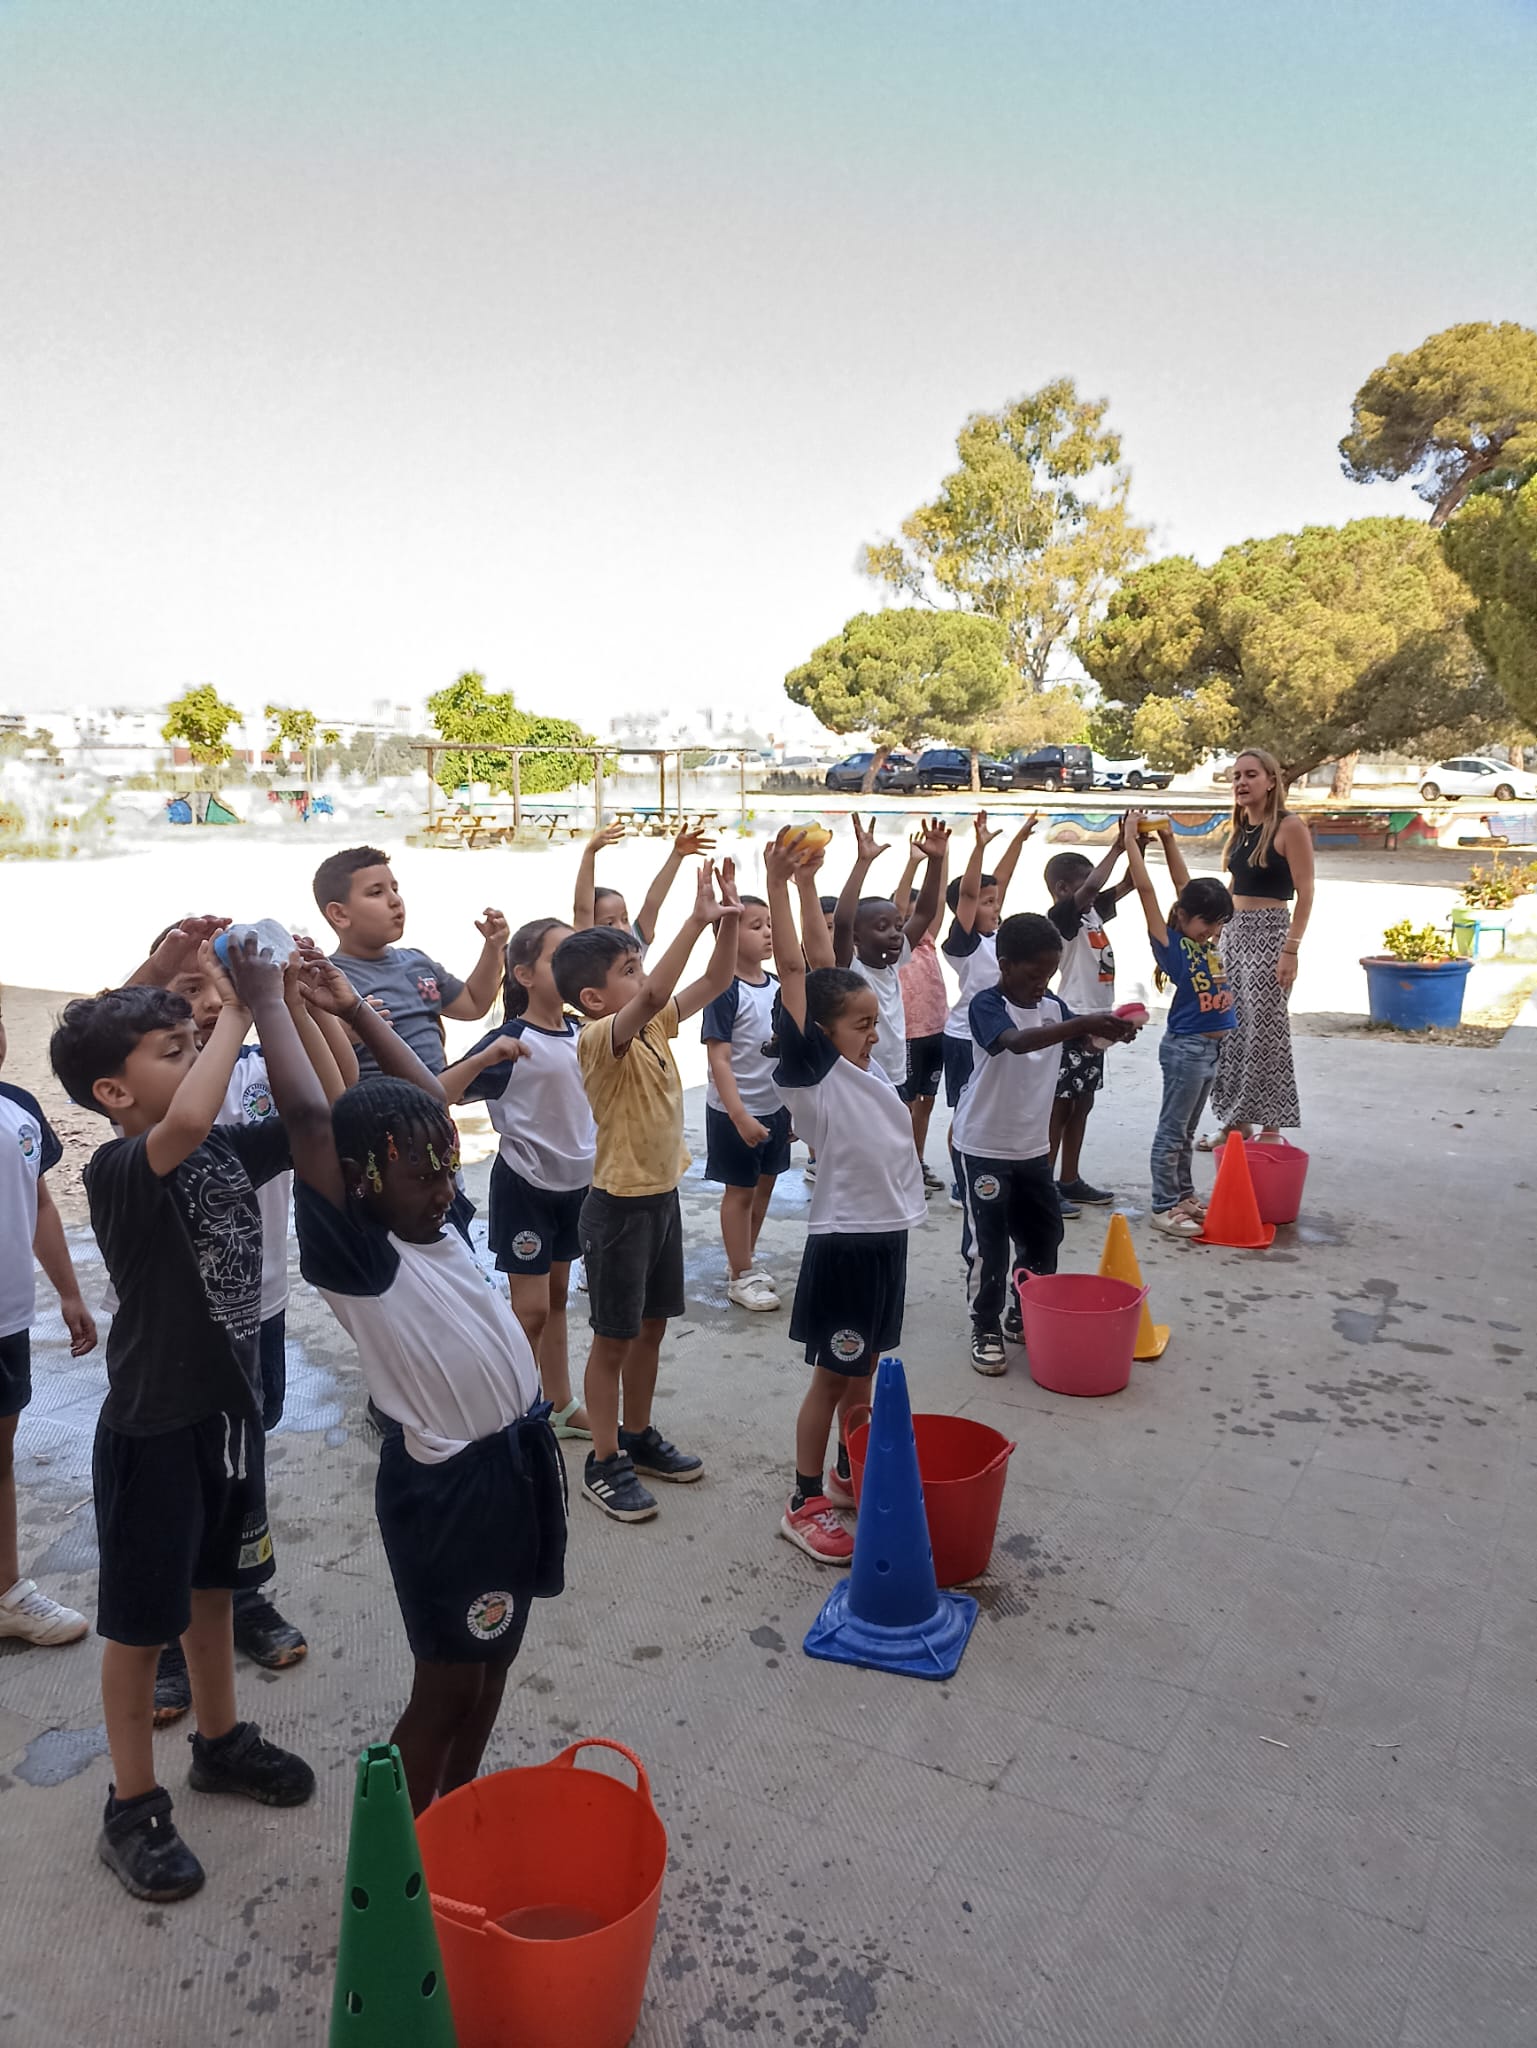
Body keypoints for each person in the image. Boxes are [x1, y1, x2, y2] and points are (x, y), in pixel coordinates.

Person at [240, 945, 567, 1816]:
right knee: (447, 1686)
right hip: (449, 1495)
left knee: (495, 1660)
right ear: (357, 1184)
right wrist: (269, 999)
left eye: (447, 1169)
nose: (441, 1188)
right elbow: (310, 1120)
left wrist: (353, 1009)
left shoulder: (439, 1221)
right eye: (421, 1177)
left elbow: (427, 1102)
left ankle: (461, 1811)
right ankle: (400, 1851)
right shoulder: (360, 1253)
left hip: (514, 1470)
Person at [50, 972, 316, 1903]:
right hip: (154, 1431)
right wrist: (234, 1008)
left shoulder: (223, 1150)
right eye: (175, 1051)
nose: (200, 1058)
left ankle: (220, 1741)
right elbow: (192, 1118)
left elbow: (310, 1113)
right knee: (140, 1627)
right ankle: (131, 1806)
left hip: (227, 1421)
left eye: (197, 1046)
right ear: (113, 1093)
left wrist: (288, 1006)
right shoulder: (120, 1168)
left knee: (216, 1595)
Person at [123, 915, 358, 1711]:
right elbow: (102, 1036)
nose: (204, 1002)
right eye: (185, 991)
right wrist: (162, 964)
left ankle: (241, 1595)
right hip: (171, 1338)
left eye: (214, 984)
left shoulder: (257, 1064)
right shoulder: (150, 1093)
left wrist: (293, 1001)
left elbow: (335, 1100)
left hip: (259, 1309)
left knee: (242, 1460)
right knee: (172, 1483)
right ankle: (165, 1630)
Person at [554, 861, 741, 1524]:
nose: (642, 978)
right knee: (613, 1338)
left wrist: (726, 922)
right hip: (618, 1210)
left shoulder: (655, 1025)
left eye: (637, 966)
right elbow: (659, 988)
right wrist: (693, 919)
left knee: (651, 1328)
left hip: (661, 1198)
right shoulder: (597, 1038)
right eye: (628, 970)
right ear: (594, 998)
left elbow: (715, 981)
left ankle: (636, 1434)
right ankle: (603, 1461)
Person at [764, 830, 927, 1563]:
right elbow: (797, 969)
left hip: (885, 1238)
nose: (874, 1033)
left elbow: (825, 964)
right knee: (832, 1381)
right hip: (846, 1245)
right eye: (861, 1025)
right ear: (819, 1033)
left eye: (873, 1022)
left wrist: (809, 886)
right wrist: (779, 884)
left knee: (863, 1381)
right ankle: (803, 1501)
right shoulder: (815, 1074)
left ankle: (846, 1471)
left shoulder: (861, 1067)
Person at [952, 915, 1138, 1375]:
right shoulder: (987, 1005)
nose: (1043, 984)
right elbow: (1016, 1043)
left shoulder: (1053, 1006)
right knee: (988, 1245)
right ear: (1005, 964)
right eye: (1034, 974)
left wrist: (1110, 1032)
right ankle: (985, 1324)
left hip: (1033, 1149)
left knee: (1044, 1235)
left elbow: (1084, 1042)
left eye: (1050, 973)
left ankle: (1024, 1309)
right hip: (984, 1146)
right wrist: (1080, 1026)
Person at [0, 984, 98, 1648]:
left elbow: (36, 1204)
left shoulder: (19, 1111)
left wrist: (68, 1293)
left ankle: (6, 1591)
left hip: (7, 1317)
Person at [1121, 815, 1236, 1235]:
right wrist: (1130, 841)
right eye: (1208, 923)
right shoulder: (1173, 946)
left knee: (1186, 1132)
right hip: (1186, 1049)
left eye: (1219, 923)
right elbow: (1148, 891)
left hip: (1210, 1050)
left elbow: (1181, 883)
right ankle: (1163, 1205)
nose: (1214, 931)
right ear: (1185, 917)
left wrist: (1169, 838)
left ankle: (1184, 1195)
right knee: (1172, 1132)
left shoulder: (1205, 939)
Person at [313, 845, 508, 1077]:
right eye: (376, 892)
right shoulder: (328, 981)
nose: (395, 900)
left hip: (439, 1098)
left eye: (395, 889)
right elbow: (312, 1056)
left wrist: (493, 948)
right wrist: (342, 1033)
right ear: (340, 914)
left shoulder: (417, 964)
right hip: (377, 1098)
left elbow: (473, 1004)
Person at [1211, 748, 1314, 1143]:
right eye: (1237, 776)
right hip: (1233, 933)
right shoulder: (1241, 827)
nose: (1241, 782)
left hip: (1270, 934)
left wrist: (1291, 949)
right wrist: (1217, 929)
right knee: (1231, 1030)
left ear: (1271, 781)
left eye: (1251, 775)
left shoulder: (1290, 827)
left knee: (1266, 1031)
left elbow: (1306, 892)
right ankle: (1235, 1123)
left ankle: (1271, 1126)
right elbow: (1235, 884)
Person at [940, 812, 1037, 1205]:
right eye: (987, 903)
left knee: (993, 1109)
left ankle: (990, 1171)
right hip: (964, 1039)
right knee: (967, 1112)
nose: (995, 907)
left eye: (996, 902)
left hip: (995, 1037)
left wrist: (1019, 839)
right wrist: (978, 847)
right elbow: (968, 894)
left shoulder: (998, 936)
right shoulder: (963, 944)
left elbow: (1002, 878)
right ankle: (961, 1182)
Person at [701, 894, 790, 1313]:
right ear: (728, 938)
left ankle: (744, 1260)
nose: (768, 932)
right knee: (739, 1193)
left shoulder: (777, 986)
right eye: (756, 926)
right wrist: (738, 1115)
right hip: (734, 1113)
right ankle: (740, 1275)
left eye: (769, 924)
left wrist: (791, 1108)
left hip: (775, 1108)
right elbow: (718, 1058)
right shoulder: (723, 990)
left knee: (765, 1187)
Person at [1043, 842, 1134, 1210]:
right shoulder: (1062, 917)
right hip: (1073, 1019)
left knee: (1083, 1104)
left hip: (1098, 1019)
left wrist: (1138, 845)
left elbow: (1128, 884)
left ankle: (1069, 1179)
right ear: (1063, 889)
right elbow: (1095, 885)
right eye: (1083, 886)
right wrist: (1118, 845)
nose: (1093, 892)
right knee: (1060, 1108)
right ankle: (1044, 1185)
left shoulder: (1092, 913)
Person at [832, 814, 950, 1090]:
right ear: (857, 937)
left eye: (898, 926)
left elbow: (924, 912)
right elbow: (843, 921)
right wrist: (863, 862)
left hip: (895, 1075)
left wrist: (936, 861)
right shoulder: (852, 970)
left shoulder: (894, 963)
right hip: (862, 1075)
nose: (896, 934)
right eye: (882, 927)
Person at [894, 834, 950, 1193]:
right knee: (905, 1103)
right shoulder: (895, 948)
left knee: (926, 1102)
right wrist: (913, 862)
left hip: (936, 1031)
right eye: (907, 918)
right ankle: (902, 1164)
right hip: (906, 1034)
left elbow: (938, 899)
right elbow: (900, 906)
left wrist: (941, 857)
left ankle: (917, 1158)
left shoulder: (928, 941)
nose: (914, 922)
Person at [573, 818, 717, 953]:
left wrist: (677, 855)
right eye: (610, 923)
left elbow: (653, 903)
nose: (621, 928)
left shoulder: (635, 944)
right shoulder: (587, 951)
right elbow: (583, 909)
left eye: (625, 919)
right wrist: (590, 852)